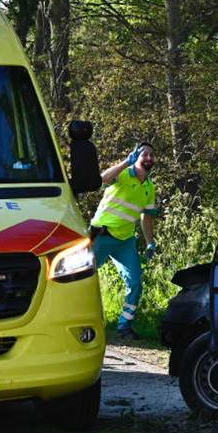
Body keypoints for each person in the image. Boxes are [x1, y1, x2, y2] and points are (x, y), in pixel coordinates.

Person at [89, 143, 159, 339]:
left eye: (152, 155)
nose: (149, 157)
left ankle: (124, 326)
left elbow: (147, 217)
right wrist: (124, 163)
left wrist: (150, 242)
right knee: (82, 278)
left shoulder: (150, 187)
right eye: (144, 153)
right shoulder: (123, 174)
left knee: (136, 283)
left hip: (125, 241)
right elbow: (102, 179)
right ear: (136, 157)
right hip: (102, 234)